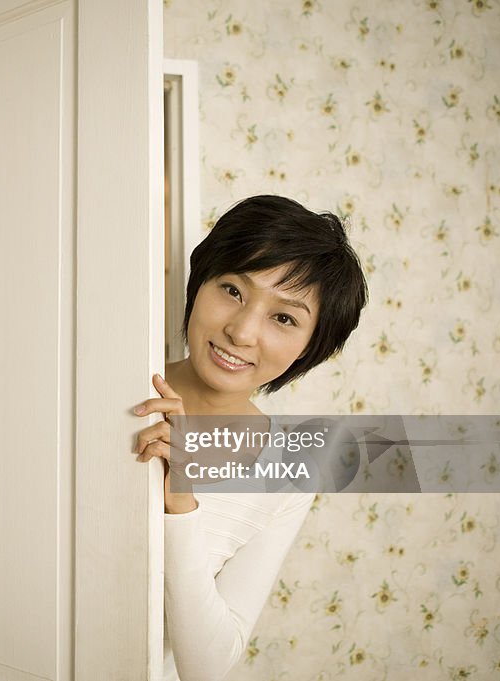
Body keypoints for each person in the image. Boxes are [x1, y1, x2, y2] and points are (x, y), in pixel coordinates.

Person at [132, 195, 368, 681]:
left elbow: (207, 668)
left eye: (284, 318)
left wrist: (182, 499)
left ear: (310, 348)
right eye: (233, 291)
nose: (241, 331)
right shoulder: (111, 386)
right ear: (199, 284)